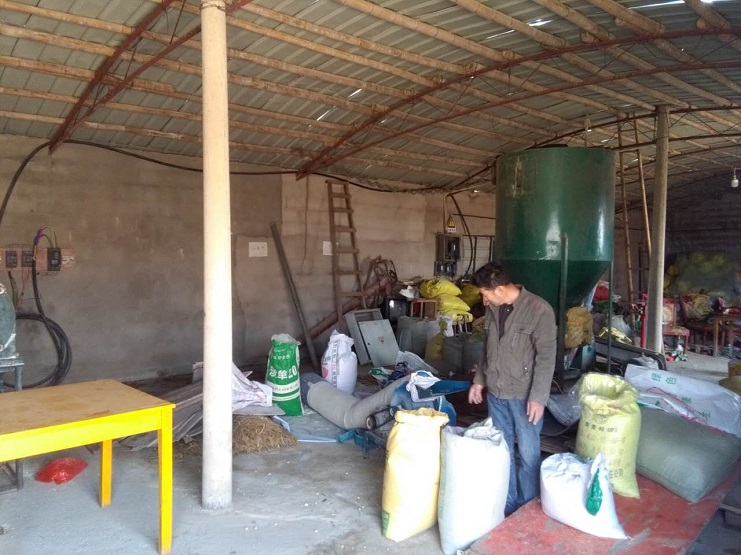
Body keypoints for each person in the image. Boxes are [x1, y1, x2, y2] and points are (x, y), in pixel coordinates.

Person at [468, 261, 557, 515]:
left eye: (485, 294)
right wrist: (479, 380)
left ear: (498, 289)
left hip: (524, 396)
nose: (483, 300)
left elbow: (546, 358)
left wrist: (538, 397)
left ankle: (527, 507)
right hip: (496, 393)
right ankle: (508, 502)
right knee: (503, 451)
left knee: (528, 455)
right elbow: (488, 349)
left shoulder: (539, 310)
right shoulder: (492, 309)